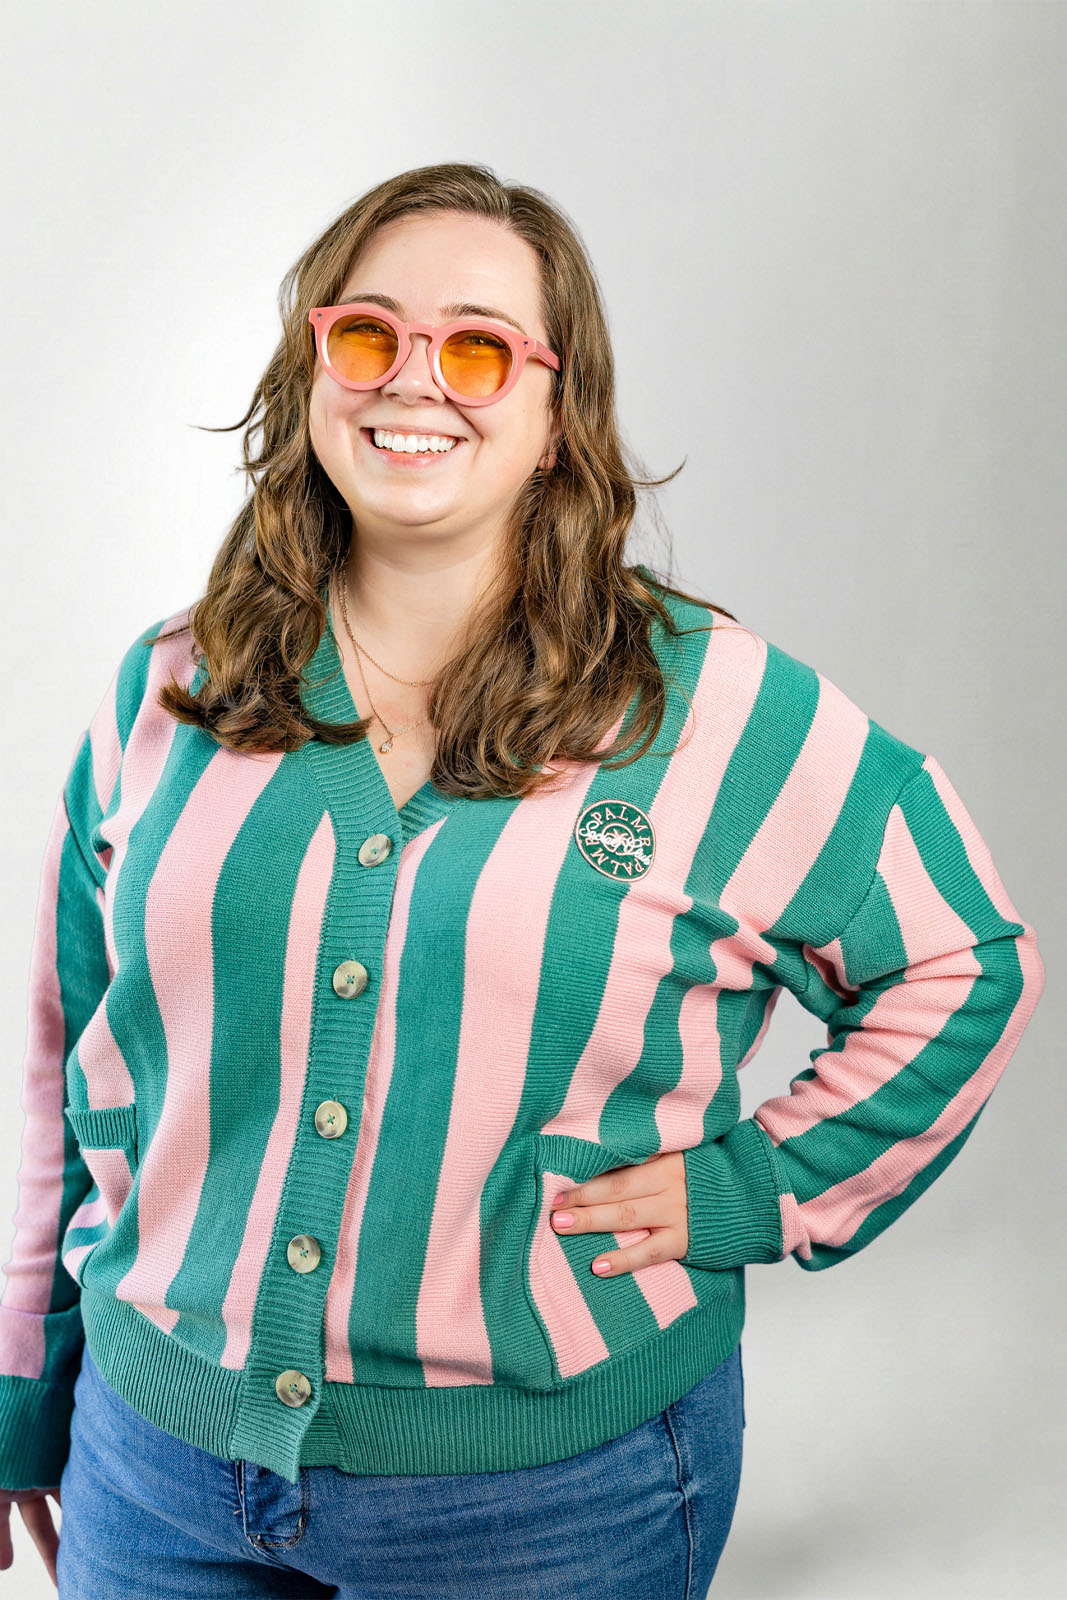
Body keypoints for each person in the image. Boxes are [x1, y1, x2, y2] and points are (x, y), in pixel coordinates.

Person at [0, 161, 1044, 1598]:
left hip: (549, 1506)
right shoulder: (174, 687)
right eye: (368, 333)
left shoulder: (711, 710)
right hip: (152, 1472)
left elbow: (962, 957)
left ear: (560, 419)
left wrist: (760, 1187)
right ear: (313, 369)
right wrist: (24, 1376)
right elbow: (69, 1060)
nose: (413, 379)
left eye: (480, 348)